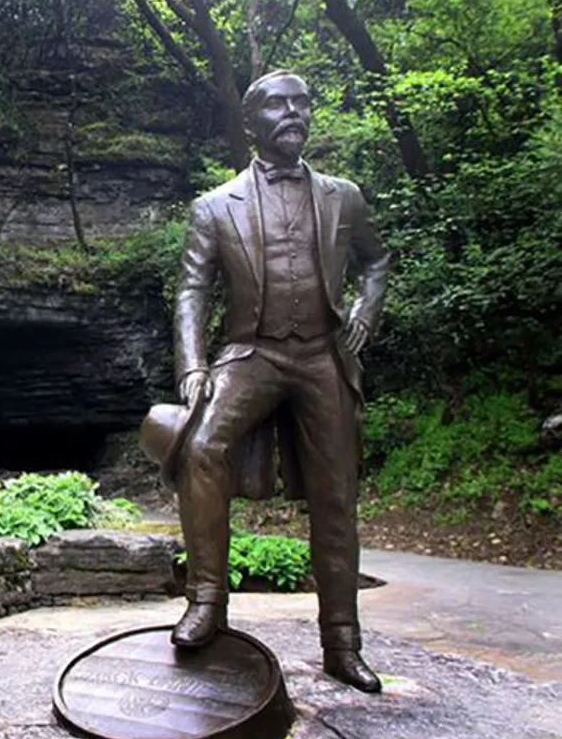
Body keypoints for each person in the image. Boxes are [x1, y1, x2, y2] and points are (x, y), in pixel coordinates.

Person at [141, 69, 389, 693]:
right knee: (200, 449)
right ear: (252, 122)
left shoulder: (344, 197)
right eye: (278, 104)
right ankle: (206, 601)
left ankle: (342, 642)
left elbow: (377, 259)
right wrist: (193, 366)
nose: (293, 113)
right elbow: (193, 292)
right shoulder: (213, 206)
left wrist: (364, 309)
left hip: (321, 356)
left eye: (301, 103)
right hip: (250, 353)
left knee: (337, 493)